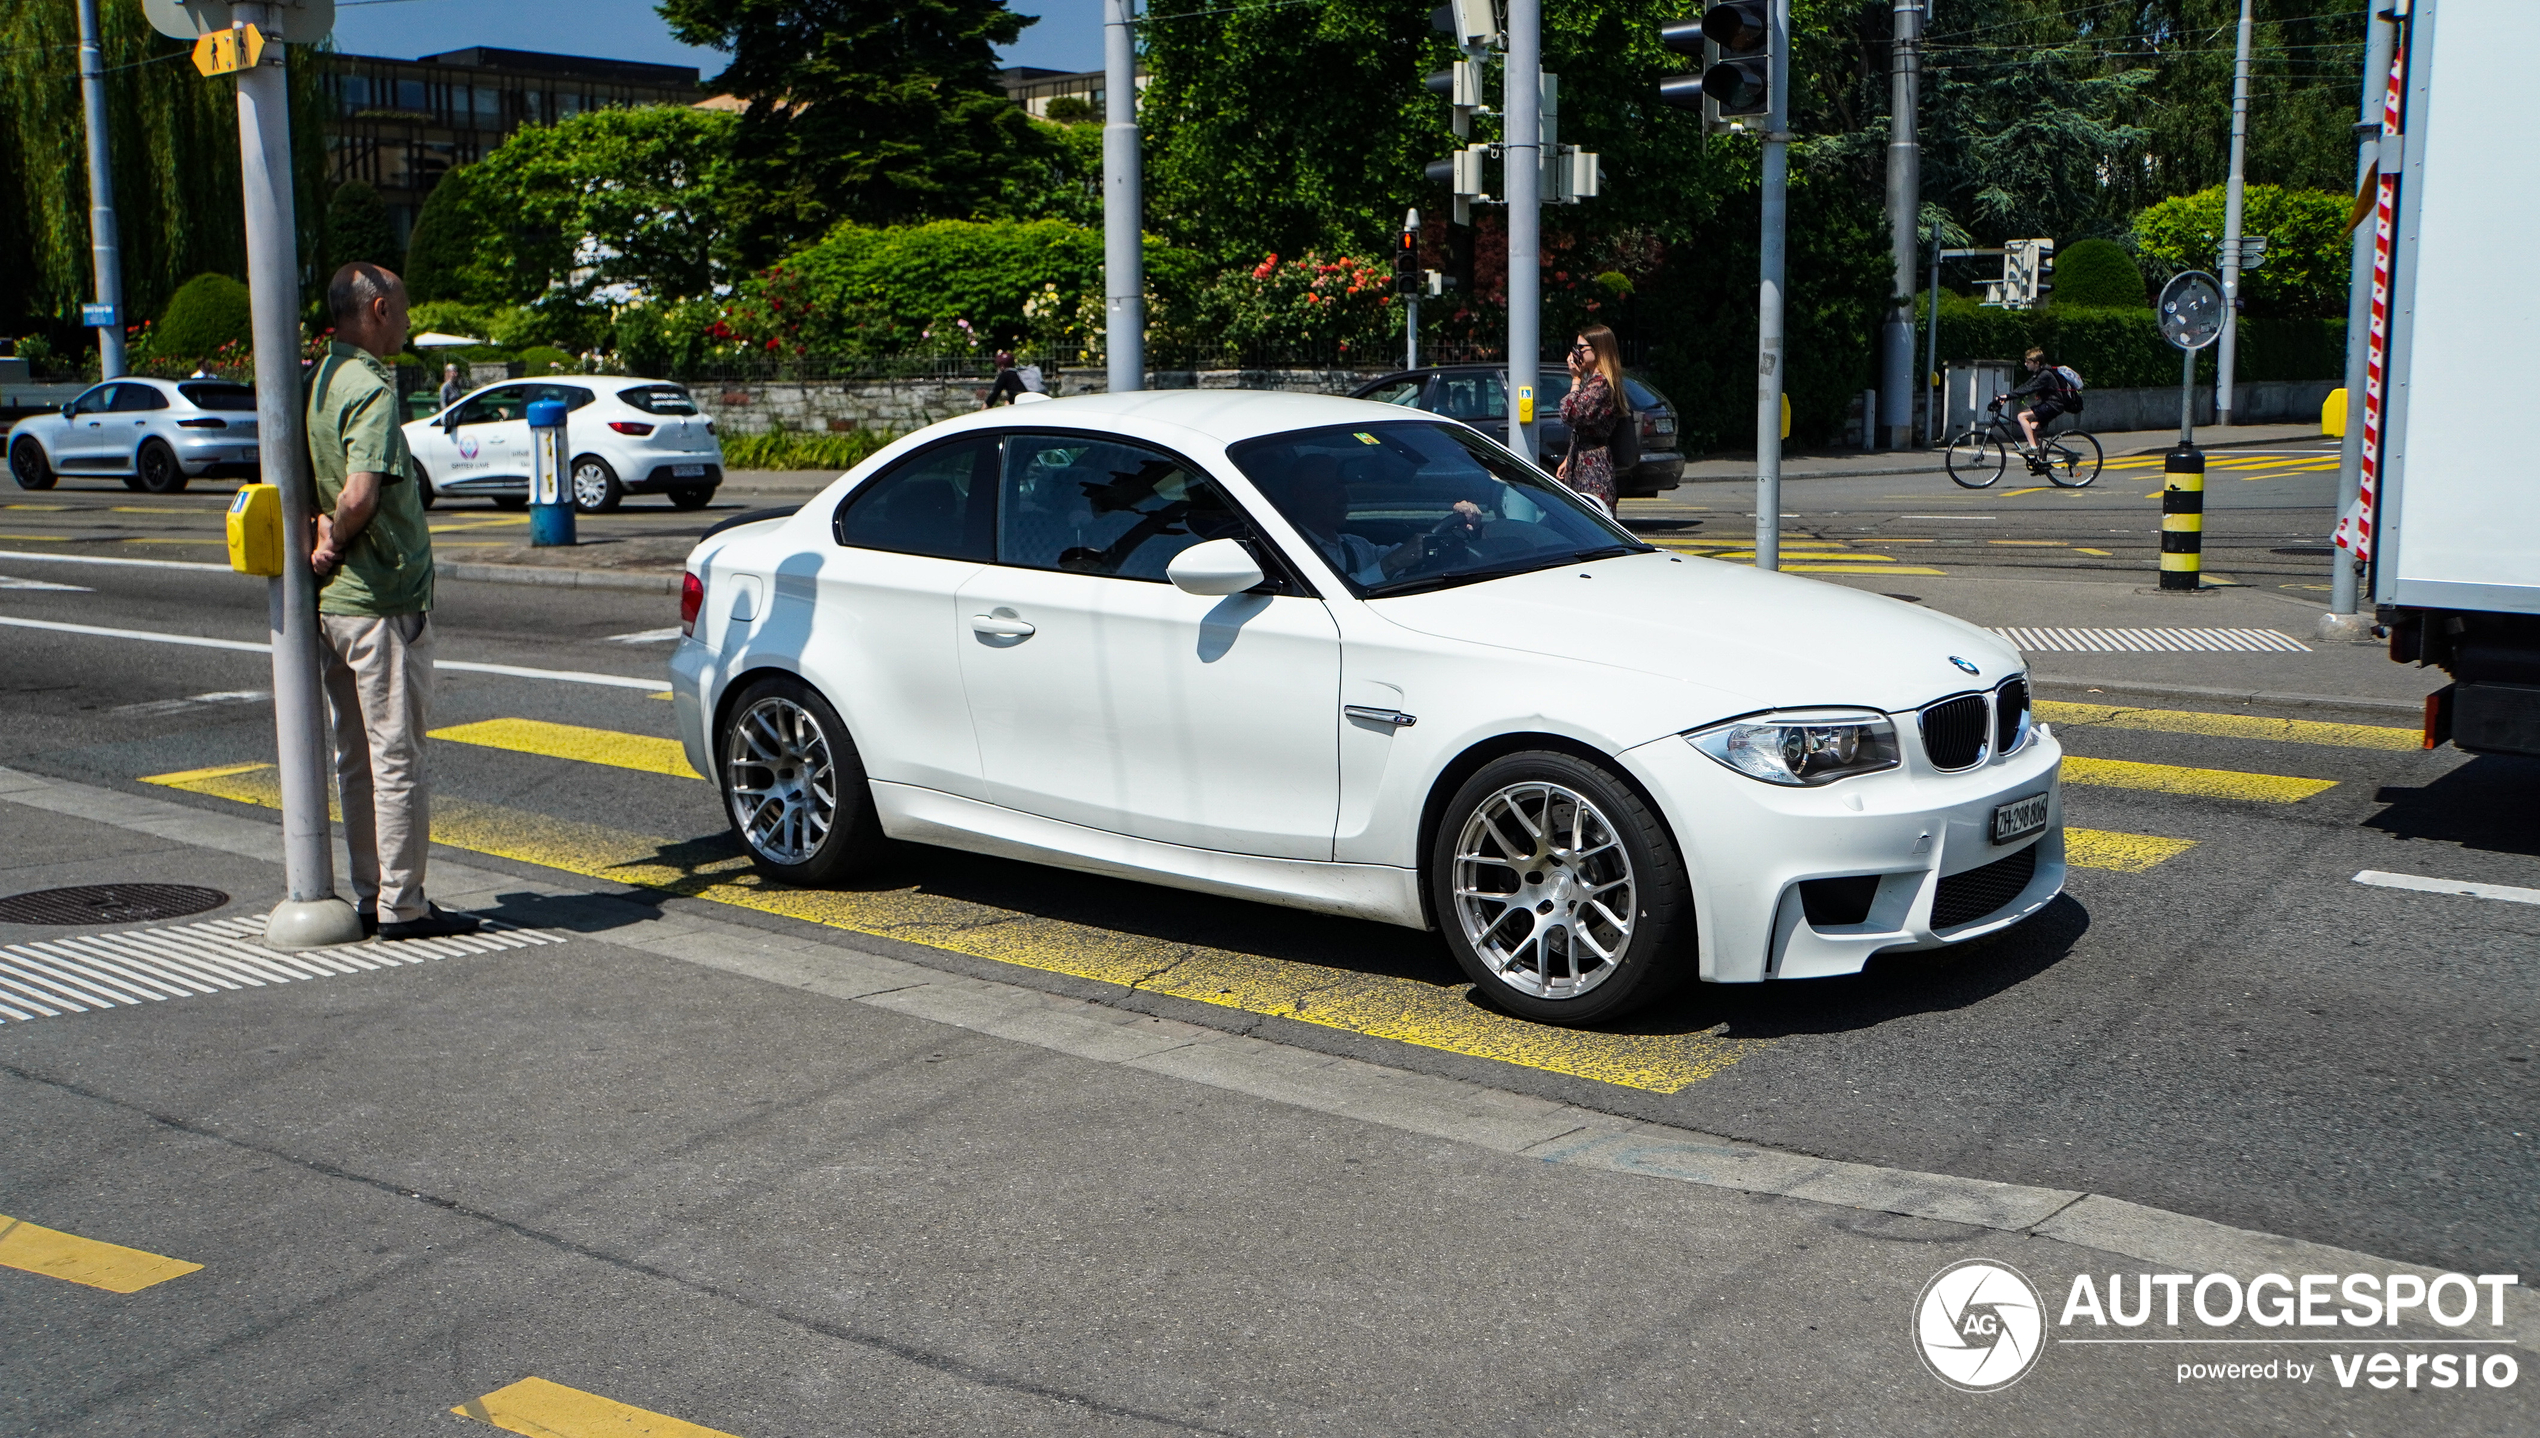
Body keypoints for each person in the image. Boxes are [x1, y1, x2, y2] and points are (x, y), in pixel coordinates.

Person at [307, 262, 479, 941]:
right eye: (403, 308)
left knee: (355, 755)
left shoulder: (319, 381)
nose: (407, 320)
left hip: (336, 607)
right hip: (380, 598)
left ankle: (370, 891)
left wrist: (319, 539)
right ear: (377, 309)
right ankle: (403, 905)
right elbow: (360, 492)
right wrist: (336, 536)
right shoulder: (372, 389)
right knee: (396, 756)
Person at [1274, 453, 1483, 586]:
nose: (1344, 497)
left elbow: (1406, 556)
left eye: (1343, 487)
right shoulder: (1286, 555)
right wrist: (1391, 563)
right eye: (1330, 489)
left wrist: (1457, 524)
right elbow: (1329, 594)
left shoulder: (1355, 547)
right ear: (1301, 495)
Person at [1557, 324, 1625, 514]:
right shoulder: (1595, 381)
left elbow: (1570, 414)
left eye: (1581, 348)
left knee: (1592, 517)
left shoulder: (1601, 384)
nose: (1575, 354)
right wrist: (1569, 458)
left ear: (1599, 350)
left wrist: (1575, 379)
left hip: (1593, 466)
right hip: (1583, 458)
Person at [2000, 347, 2077, 471]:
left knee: (2022, 416)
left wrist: (2007, 396)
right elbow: (2025, 386)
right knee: (2033, 429)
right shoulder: (2039, 373)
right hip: (2050, 404)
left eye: (2028, 362)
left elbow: (2029, 389)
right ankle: (2042, 463)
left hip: (2053, 405)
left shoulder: (2044, 375)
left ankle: (2033, 448)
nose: (2025, 364)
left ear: (2037, 363)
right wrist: (2007, 396)